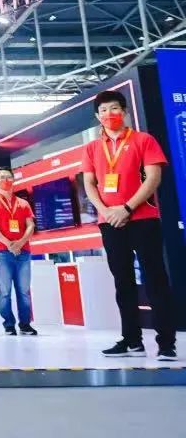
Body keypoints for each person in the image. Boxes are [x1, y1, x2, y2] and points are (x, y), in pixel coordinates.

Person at [81, 90, 177, 361]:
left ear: (124, 111)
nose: (108, 114)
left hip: (143, 219)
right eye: (103, 110)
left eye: (114, 108)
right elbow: (89, 183)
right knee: (123, 282)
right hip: (109, 223)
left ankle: (166, 343)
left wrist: (126, 208)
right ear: (97, 116)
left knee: (155, 280)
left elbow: (154, 178)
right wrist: (106, 212)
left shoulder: (143, 140)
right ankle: (132, 340)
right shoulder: (92, 148)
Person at [0, 167, 37, 336]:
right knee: (5, 291)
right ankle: (8, 324)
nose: (5, 180)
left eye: (8, 177)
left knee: (24, 291)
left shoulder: (23, 203)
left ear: (13, 180)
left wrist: (20, 243)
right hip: (1, 253)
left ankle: (25, 324)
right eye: (1, 177)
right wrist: (8, 243)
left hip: (23, 252)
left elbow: (30, 225)